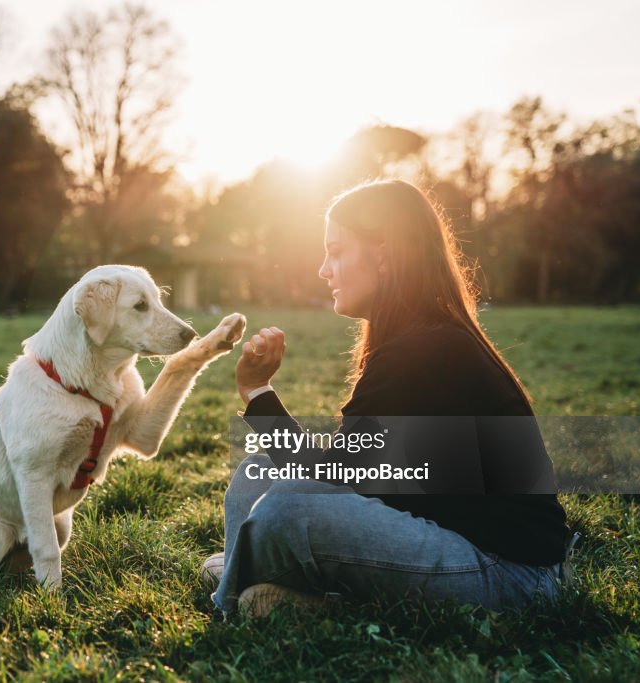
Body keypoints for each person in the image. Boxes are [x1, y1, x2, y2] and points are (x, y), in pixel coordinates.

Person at [206, 179, 572, 617]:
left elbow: (334, 477)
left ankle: (238, 587)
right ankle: (276, 588)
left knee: (292, 504)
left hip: (514, 577)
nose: (324, 269)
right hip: (449, 535)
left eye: (336, 251)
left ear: (382, 253)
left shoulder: (428, 347)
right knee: (259, 472)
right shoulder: (414, 337)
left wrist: (257, 393)